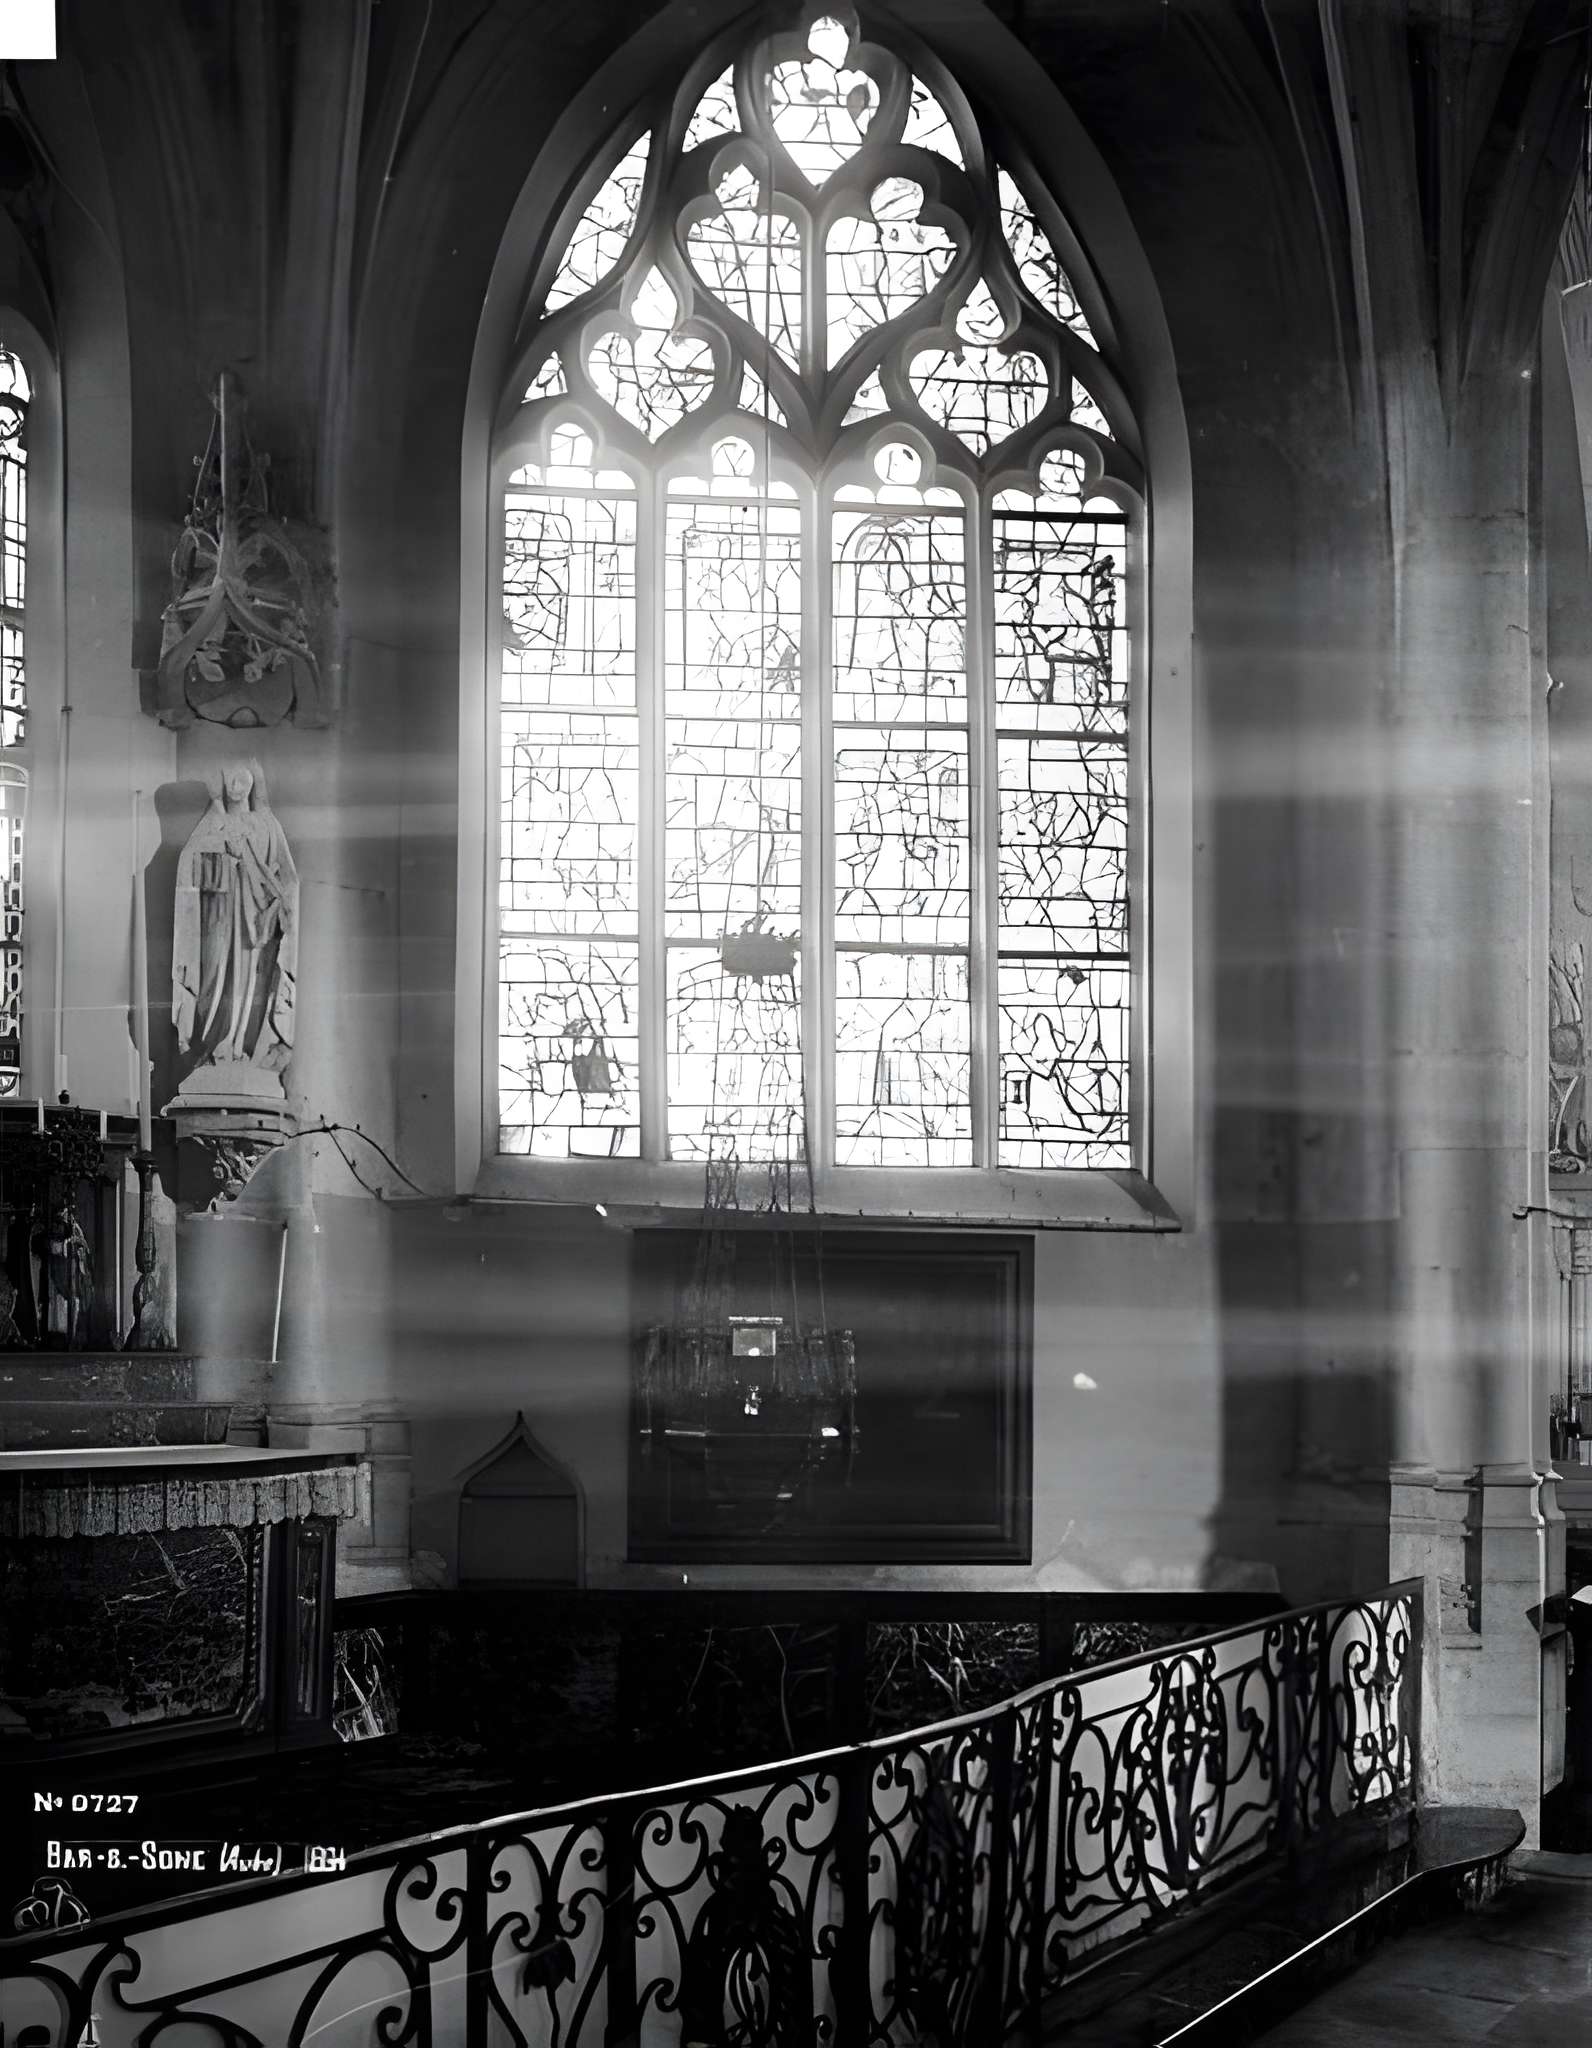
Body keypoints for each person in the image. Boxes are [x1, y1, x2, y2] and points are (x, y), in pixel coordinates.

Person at [171, 758, 298, 1090]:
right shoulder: (213, 822)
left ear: (254, 783)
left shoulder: (266, 823)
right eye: (231, 779)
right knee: (213, 978)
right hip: (218, 918)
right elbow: (188, 864)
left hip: (257, 926)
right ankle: (210, 1046)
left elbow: (289, 877)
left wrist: (281, 905)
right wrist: (223, 854)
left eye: (243, 779)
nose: (237, 786)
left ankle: (242, 1046)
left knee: (249, 985)